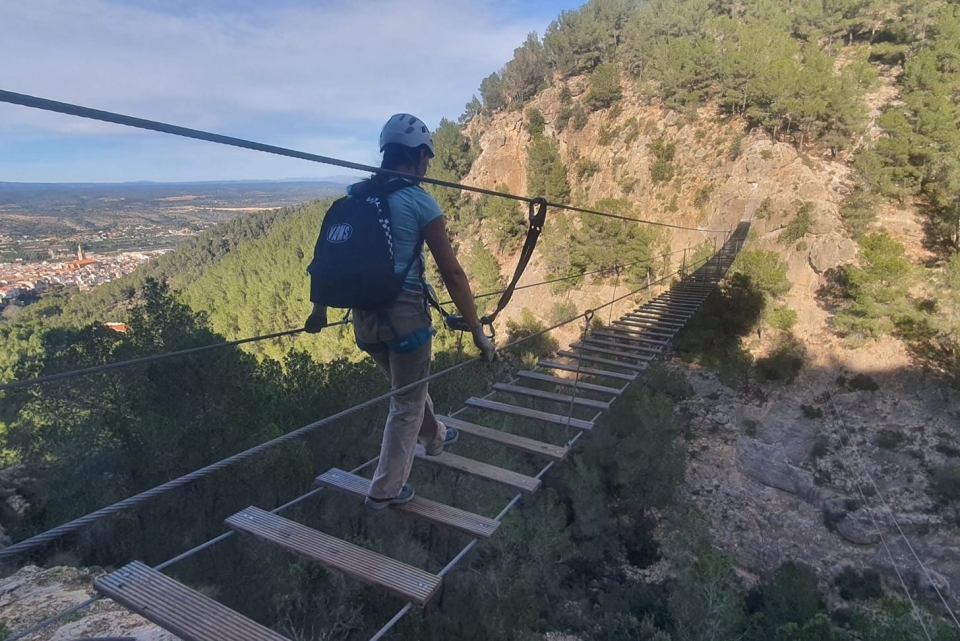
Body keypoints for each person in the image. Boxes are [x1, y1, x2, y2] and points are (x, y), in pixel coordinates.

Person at [305, 113, 496, 509]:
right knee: (406, 402)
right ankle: (385, 489)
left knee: (407, 388)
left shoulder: (356, 198)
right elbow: (453, 272)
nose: (427, 166)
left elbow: (325, 259)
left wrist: (319, 311)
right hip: (406, 318)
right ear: (418, 157)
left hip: (365, 322)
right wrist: (477, 329)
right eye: (426, 157)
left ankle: (436, 436)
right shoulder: (419, 200)